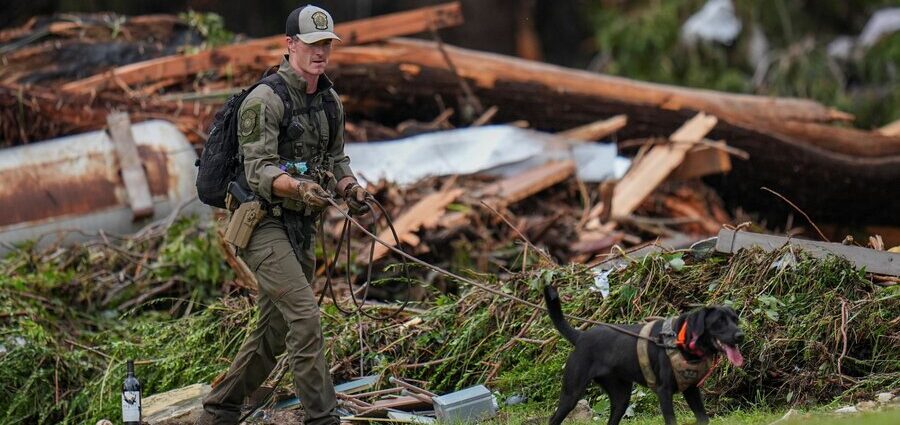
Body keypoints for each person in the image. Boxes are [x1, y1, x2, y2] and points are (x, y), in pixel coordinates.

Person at [197, 5, 369, 425]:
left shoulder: (329, 101)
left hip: (300, 225)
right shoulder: (265, 100)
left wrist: (349, 188)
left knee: (273, 331)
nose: (320, 52)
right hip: (260, 222)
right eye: (311, 44)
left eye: (325, 44)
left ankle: (220, 408)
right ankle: (322, 418)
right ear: (290, 45)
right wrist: (299, 186)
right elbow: (259, 172)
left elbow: (335, 158)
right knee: (306, 316)